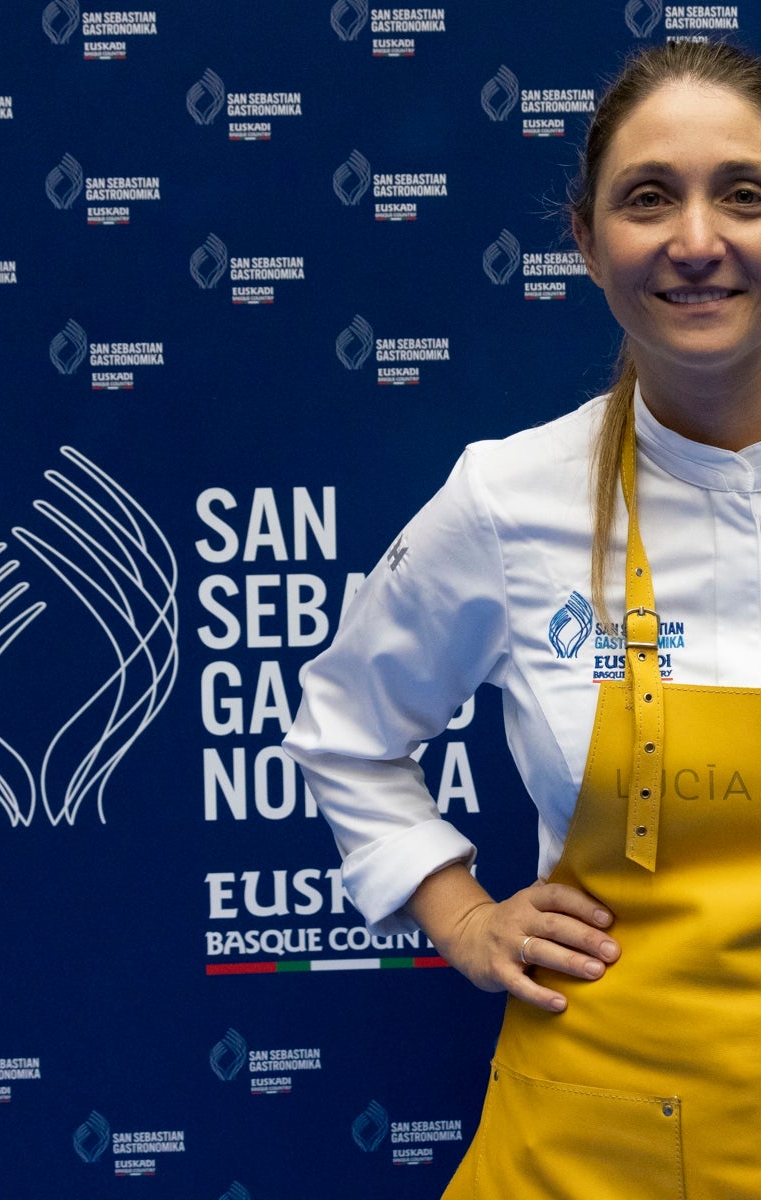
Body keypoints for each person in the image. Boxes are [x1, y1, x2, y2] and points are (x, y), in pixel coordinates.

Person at [284, 39, 761, 1198]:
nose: (698, 241)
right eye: (650, 199)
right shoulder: (508, 499)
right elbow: (344, 728)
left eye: (744, 196)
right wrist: (460, 915)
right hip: (593, 1148)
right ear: (590, 245)